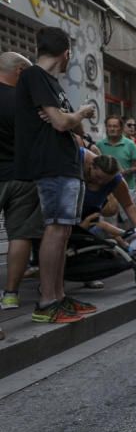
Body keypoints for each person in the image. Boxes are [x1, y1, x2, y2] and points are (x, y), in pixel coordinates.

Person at [14, 27, 98, 324]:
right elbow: (64, 123)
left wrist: (72, 118)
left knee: (63, 231)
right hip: (50, 164)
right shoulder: (34, 76)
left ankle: (59, 296)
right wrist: (80, 113)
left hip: (65, 164)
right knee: (56, 228)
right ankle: (47, 300)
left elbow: (71, 126)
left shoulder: (54, 85)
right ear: (66, 53)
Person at [0, 51, 40, 315]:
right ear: (20, 72)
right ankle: (11, 295)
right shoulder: (26, 104)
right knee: (20, 234)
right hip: (23, 177)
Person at [97, 115, 136, 218]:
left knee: (128, 220)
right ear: (106, 127)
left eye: (115, 126)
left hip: (127, 187)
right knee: (109, 220)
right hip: (106, 189)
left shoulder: (130, 144)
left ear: (121, 128)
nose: (112, 129)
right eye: (109, 126)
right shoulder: (99, 144)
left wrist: (125, 172)